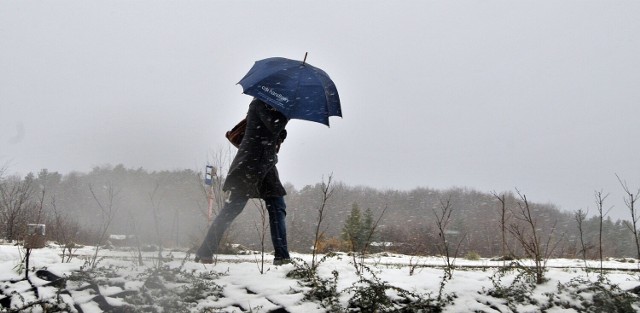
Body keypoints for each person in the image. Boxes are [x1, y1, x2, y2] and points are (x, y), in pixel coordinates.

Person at [195, 98, 291, 265]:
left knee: (277, 207)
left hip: (266, 166)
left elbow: (275, 132)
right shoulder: (260, 103)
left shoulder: (274, 108)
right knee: (232, 209)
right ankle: (205, 251)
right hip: (249, 165)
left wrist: (281, 130)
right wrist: (288, 113)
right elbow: (275, 125)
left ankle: (282, 257)